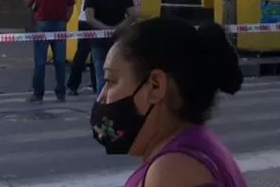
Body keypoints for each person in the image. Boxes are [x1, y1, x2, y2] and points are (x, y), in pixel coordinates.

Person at [90, 17, 247, 187]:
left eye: (111, 80)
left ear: (155, 86)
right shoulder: (192, 148)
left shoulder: (172, 171)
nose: (102, 96)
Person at [82, 0, 138, 94]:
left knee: (101, 75)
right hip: (118, 39)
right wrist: (117, 28)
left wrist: (104, 29)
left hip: (98, 39)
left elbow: (89, 17)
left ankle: (102, 103)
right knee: (119, 73)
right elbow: (133, 15)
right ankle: (116, 100)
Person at [26, 0, 75, 103]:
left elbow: (29, 3)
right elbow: (71, 6)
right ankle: (61, 93)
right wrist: (66, 19)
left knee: (40, 61)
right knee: (59, 61)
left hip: (42, 24)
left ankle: (38, 93)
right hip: (59, 24)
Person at [67, 0, 102, 96]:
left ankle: (95, 83)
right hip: (87, 22)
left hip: (94, 21)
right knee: (83, 53)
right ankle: (73, 85)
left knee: (95, 54)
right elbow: (88, 9)